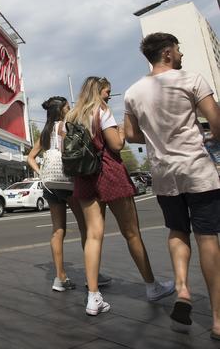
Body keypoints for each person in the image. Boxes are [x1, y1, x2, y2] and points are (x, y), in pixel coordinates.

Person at [124, 33, 220, 340]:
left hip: (164, 175)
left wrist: (155, 137)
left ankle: (182, 289)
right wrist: (211, 138)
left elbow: (130, 134)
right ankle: (218, 320)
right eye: (178, 49)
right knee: (207, 237)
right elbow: (215, 120)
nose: (181, 54)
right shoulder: (191, 79)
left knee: (178, 232)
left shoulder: (133, 92)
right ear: (167, 53)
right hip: (197, 170)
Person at [66, 76, 174, 316]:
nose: (109, 96)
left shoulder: (72, 116)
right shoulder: (101, 110)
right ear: (98, 91)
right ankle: (151, 286)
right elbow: (115, 145)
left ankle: (93, 297)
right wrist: (122, 132)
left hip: (84, 178)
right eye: (107, 92)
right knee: (132, 233)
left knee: (93, 235)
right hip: (109, 174)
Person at [27, 96, 112, 292]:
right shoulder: (66, 127)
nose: (70, 108)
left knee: (58, 230)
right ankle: (93, 276)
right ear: (61, 111)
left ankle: (60, 277)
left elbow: (30, 157)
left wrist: (41, 172)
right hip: (69, 182)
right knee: (85, 228)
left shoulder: (45, 133)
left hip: (50, 184)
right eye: (67, 106)